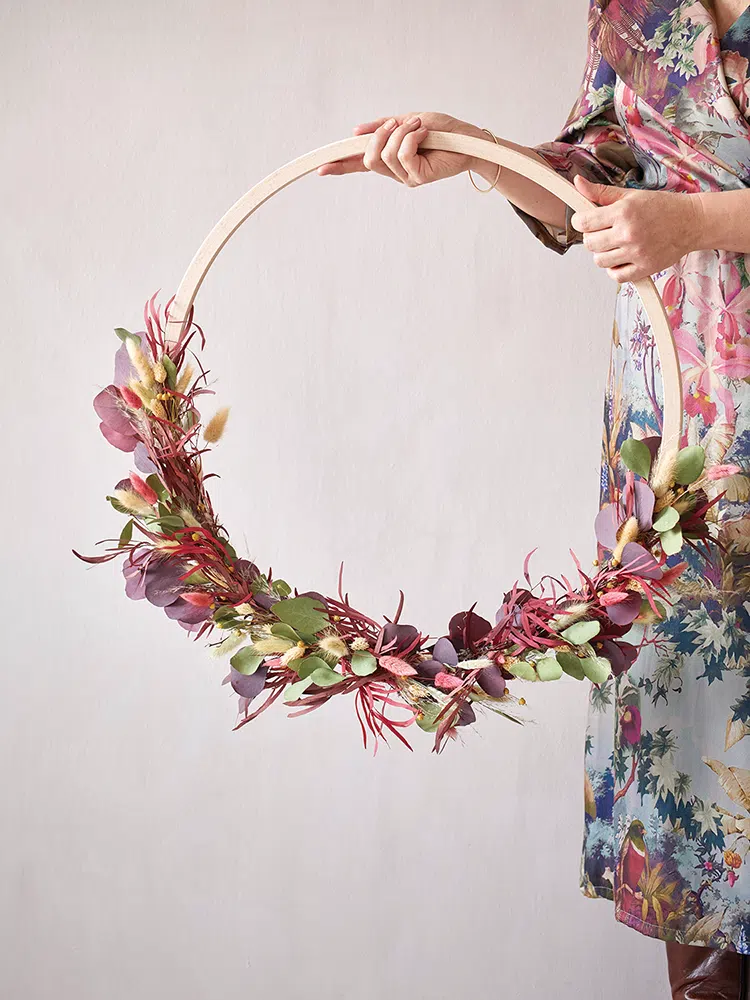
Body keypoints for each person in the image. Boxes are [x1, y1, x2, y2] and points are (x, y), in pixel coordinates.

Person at [320, 1, 750, 997]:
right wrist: (467, 151)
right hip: (676, 441)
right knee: (684, 748)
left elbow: (668, 212)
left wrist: (698, 222)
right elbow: (588, 185)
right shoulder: (632, 9)